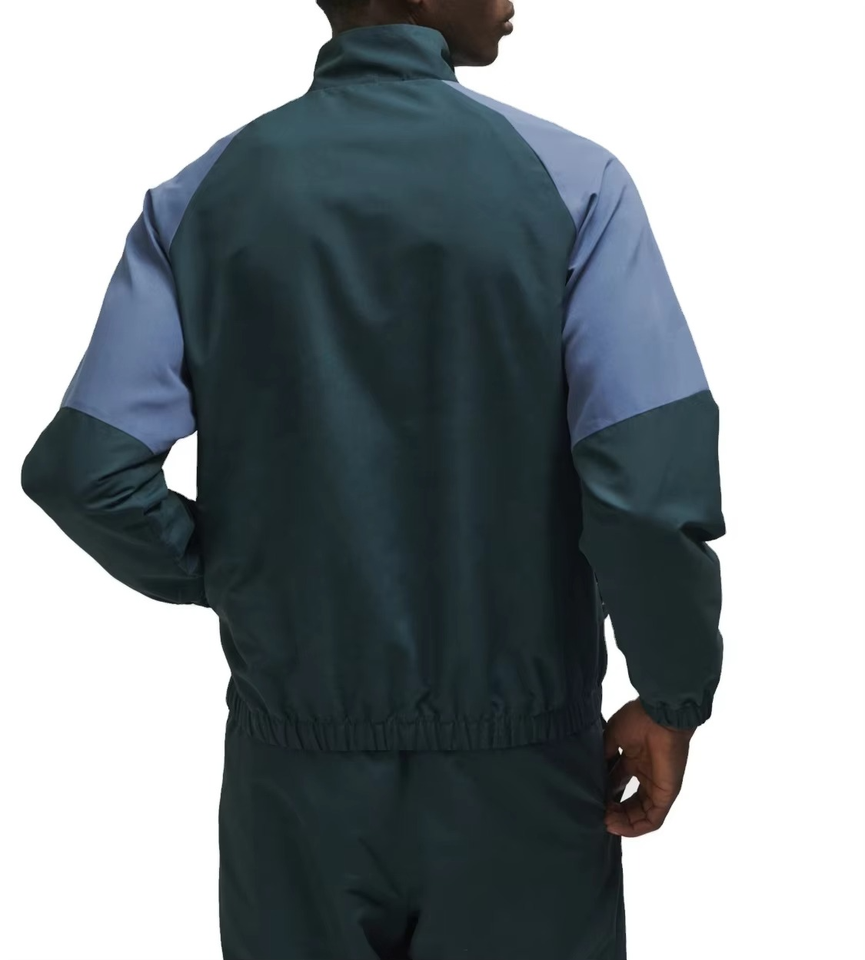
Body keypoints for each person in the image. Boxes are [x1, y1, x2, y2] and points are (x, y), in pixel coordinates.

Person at [20, 0, 725, 957]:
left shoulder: (201, 198)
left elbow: (85, 470)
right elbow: (643, 491)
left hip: (293, 779)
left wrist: (238, 573)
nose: (512, 2)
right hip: (522, 779)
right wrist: (672, 694)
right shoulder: (576, 186)